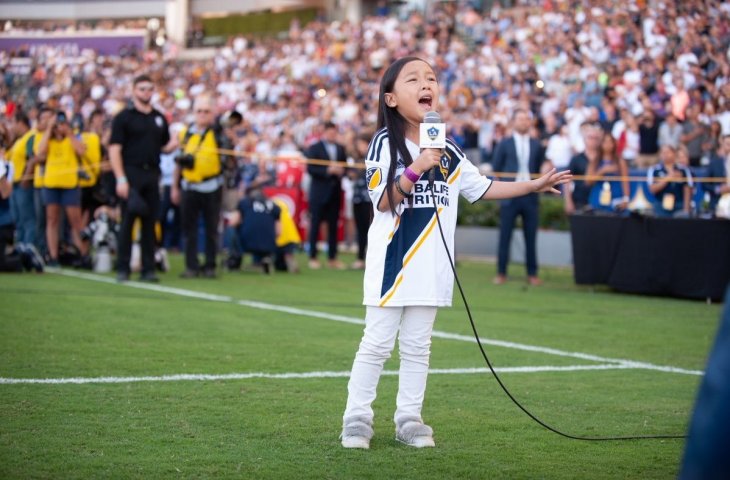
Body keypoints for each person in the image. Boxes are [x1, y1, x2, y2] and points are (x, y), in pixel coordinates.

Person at [340, 57, 570, 450]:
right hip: (393, 265)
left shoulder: (447, 148)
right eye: (414, 79)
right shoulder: (385, 142)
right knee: (377, 343)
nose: (426, 84)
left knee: (418, 346)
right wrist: (416, 167)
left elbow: (482, 187)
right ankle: (357, 419)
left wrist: (533, 185)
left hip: (432, 266)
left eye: (430, 78)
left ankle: (409, 419)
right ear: (392, 98)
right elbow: (382, 200)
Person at [109, 74, 175, 282]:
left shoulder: (158, 118)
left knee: (150, 223)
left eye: (149, 89)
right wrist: (120, 178)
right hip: (131, 173)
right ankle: (123, 267)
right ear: (134, 91)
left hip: (152, 174)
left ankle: (148, 268)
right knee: (128, 221)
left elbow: (163, 146)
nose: (146, 93)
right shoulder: (124, 117)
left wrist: (174, 145)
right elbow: (114, 149)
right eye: (142, 89)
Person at [492, 108, 553, 286]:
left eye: (527, 119)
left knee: (531, 235)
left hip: (531, 195)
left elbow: (542, 165)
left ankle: (532, 273)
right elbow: (497, 167)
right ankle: (501, 272)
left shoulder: (537, 144)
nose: (524, 122)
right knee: (505, 235)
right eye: (520, 119)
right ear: (513, 122)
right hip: (510, 194)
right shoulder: (504, 143)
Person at [171, 93, 228, 279]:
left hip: (212, 186)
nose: (202, 114)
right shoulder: (185, 134)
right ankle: (191, 266)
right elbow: (178, 162)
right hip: (189, 186)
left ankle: (210, 265)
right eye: (199, 111)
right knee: (189, 229)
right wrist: (174, 186)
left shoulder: (217, 133)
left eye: (206, 111)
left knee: (212, 228)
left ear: (213, 113)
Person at [35, 111, 88, 267]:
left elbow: (82, 151)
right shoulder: (47, 138)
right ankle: (53, 256)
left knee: (76, 221)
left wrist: (69, 133)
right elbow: (40, 152)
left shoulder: (74, 136)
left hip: (70, 184)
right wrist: (49, 129)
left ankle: (83, 254)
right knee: (52, 220)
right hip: (51, 184)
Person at [304, 121, 347, 270]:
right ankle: (313, 256)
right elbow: (310, 169)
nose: (332, 135)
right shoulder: (314, 148)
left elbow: (345, 167)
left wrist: (342, 171)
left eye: (334, 132)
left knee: (333, 226)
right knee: (315, 224)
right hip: (318, 192)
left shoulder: (341, 148)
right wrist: (328, 171)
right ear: (324, 132)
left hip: (335, 192)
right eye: (330, 132)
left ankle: (332, 257)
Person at [347, 133, 373, 269]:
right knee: (360, 229)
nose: (361, 147)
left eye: (363, 144)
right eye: (359, 144)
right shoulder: (356, 159)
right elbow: (351, 176)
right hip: (357, 198)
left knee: (371, 229)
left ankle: (371, 259)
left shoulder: (374, 158)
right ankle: (360, 258)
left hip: (370, 199)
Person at [647, 145, 693, 217]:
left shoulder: (683, 170)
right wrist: (668, 178)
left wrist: (686, 209)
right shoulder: (654, 170)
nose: (665, 155)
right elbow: (652, 189)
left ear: (674, 154)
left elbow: (688, 188)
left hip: (679, 204)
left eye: (668, 152)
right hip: (661, 204)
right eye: (663, 152)